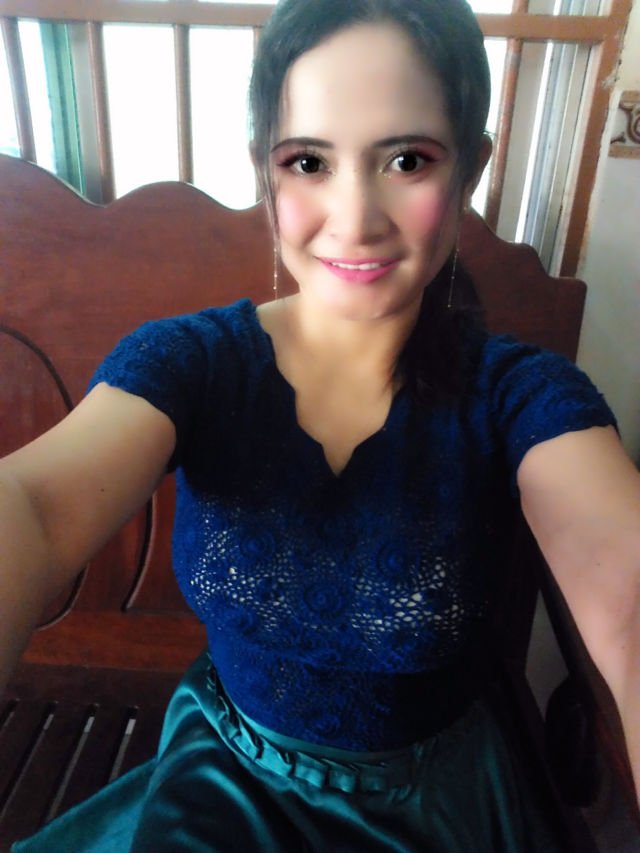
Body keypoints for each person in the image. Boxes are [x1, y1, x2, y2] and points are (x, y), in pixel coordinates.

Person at [2, 0, 639, 850]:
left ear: (470, 169)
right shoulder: (194, 363)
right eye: (309, 161)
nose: (355, 216)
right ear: (264, 169)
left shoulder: (520, 395)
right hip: (221, 790)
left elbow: (630, 602)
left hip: (435, 811)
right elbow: (36, 505)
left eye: (407, 160)